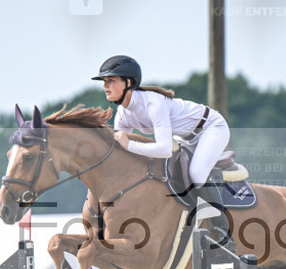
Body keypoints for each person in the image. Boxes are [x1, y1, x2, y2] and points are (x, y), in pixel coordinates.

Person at [92, 54, 235, 248]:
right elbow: (120, 153)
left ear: (128, 82)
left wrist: (129, 145)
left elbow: (164, 149)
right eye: (104, 81)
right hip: (185, 137)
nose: (105, 86)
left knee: (196, 173)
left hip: (211, 128)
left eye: (110, 80)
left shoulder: (153, 103)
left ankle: (222, 231)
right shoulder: (123, 114)